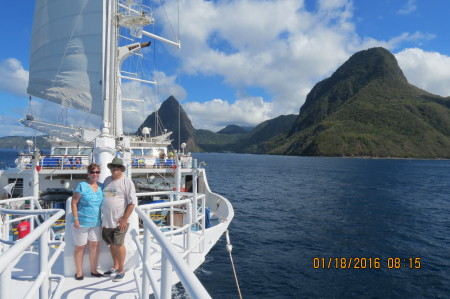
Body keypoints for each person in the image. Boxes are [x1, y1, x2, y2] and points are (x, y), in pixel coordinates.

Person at [102, 157, 137, 282]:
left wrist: (124, 218)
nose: (115, 168)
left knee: (118, 244)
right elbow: (107, 197)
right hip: (106, 220)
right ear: (110, 168)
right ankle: (115, 266)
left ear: (121, 168)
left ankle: (121, 270)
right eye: (113, 166)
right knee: (111, 244)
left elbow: (132, 203)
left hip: (119, 221)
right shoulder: (107, 180)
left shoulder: (127, 182)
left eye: (117, 166)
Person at [71, 163, 104, 280]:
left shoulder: (102, 187)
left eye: (97, 172)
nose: (95, 174)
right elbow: (74, 203)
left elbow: (112, 197)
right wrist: (75, 219)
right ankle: (79, 272)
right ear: (88, 174)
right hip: (81, 222)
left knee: (95, 245)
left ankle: (94, 270)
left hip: (96, 222)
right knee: (80, 247)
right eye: (93, 172)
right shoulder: (82, 186)